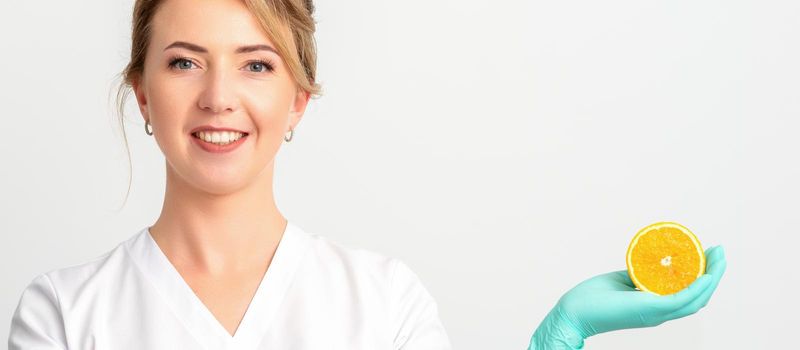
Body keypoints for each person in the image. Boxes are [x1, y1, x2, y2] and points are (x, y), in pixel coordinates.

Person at [7, 0, 727, 349]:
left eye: (256, 63)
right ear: (142, 94)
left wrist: (558, 337)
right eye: (184, 61)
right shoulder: (65, 316)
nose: (218, 95)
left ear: (297, 100)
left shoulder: (383, 305)